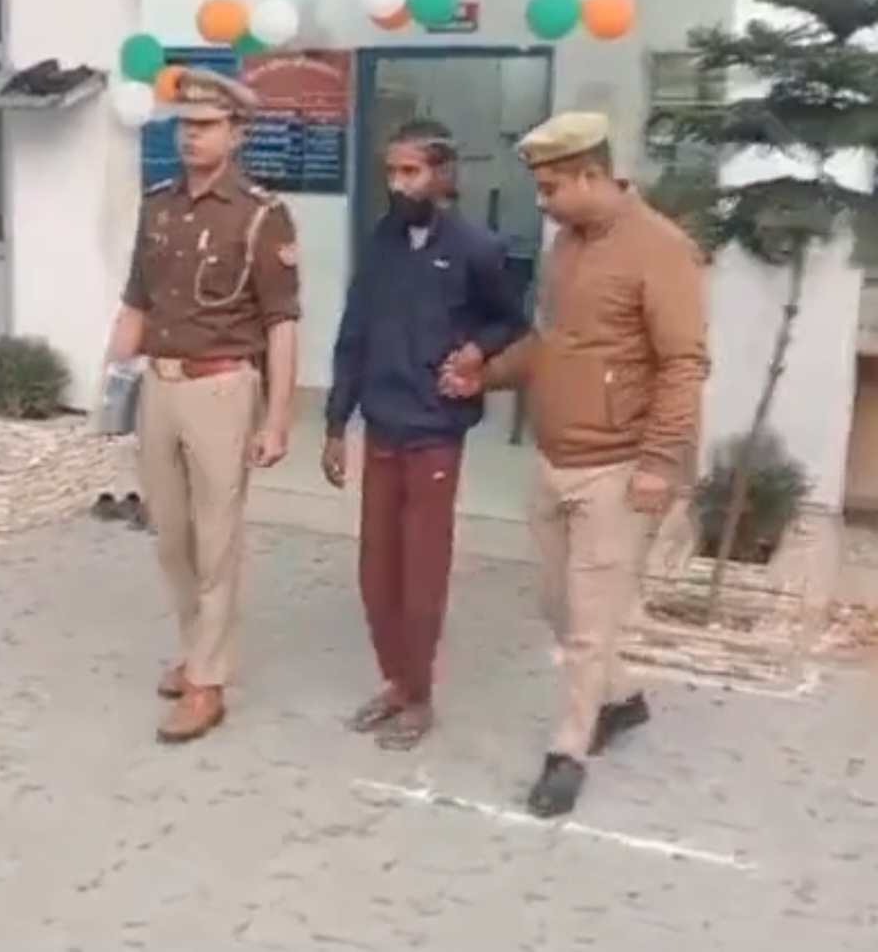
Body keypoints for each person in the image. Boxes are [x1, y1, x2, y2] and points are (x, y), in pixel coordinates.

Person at [441, 111, 708, 817]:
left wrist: (659, 462)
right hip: (557, 457)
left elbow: (683, 365)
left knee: (589, 616)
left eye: (551, 187)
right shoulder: (566, 246)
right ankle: (619, 697)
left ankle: (568, 751)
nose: (543, 202)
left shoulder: (661, 249)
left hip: (618, 466)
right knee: (556, 603)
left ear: (592, 175)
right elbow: (550, 344)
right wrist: (486, 374)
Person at [106, 68, 300, 744]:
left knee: (217, 539)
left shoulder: (261, 214)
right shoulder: (158, 206)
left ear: (237, 133)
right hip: (159, 386)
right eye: (185, 125)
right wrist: (110, 384)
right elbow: (136, 301)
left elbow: (282, 323)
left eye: (207, 126)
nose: (191, 137)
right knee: (171, 534)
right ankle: (196, 648)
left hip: (222, 386)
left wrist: (278, 418)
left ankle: (208, 682)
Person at [322, 117, 525, 750]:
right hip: (381, 425)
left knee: (421, 573)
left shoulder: (476, 247)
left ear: (442, 174)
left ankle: (419, 695)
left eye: (410, 171)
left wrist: (476, 353)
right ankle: (394, 680)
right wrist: (335, 423)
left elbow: (510, 321)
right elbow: (353, 334)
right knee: (376, 571)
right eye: (391, 171)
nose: (398, 183)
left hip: (435, 430)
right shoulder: (381, 242)